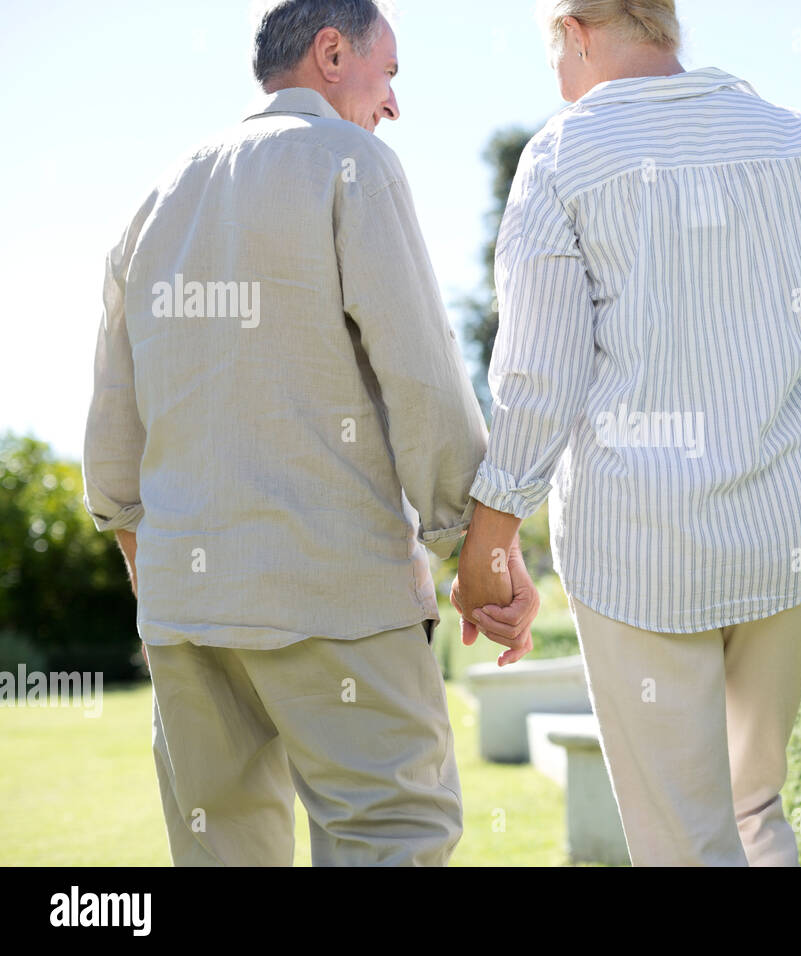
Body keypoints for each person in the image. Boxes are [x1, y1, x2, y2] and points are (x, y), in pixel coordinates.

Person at [458, 0, 801, 866]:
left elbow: (539, 375)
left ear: (574, 30)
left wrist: (491, 539)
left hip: (638, 546)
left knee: (684, 840)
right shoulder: (790, 140)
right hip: (785, 544)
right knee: (754, 806)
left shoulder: (563, 155)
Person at [82, 0, 537, 867]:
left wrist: (167, 579)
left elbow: (111, 445)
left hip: (185, 617)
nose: (394, 104)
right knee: (390, 840)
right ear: (332, 52)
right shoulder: (352, 160)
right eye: (389, 73)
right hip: (338, 597)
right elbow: (424, 380)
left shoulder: (153, 197)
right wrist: (477, 562)